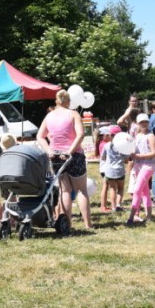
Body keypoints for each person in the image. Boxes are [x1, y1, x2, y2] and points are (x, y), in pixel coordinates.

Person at [36, 90, 93, 230]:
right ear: (69, 102)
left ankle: (67, 224)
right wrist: (69, 151)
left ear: (56, 101)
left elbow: (40, 136)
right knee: (81, 191)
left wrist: (49, 151)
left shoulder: (49, 116)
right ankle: (88, 224)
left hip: (56, 156)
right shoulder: (73, 114)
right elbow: (80, 135)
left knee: (65, 191)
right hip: (74, 155)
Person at [126, 114, 155, 226]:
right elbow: (134, 150)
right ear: (137, 124)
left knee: (137, 190)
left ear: (148, 123)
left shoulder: (151, 136)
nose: (144, 124)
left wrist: (139, 156)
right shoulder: (137, 136)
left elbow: (154, 153)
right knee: (145, 192)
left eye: (145, 122)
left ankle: (131, 217)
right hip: (138, 166)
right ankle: (149, 216)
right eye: (141, 122)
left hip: (148, 166)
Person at [99, 125, 128, 213]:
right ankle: (118, 204)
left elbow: (103, 157)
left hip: (109, 171)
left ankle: (113, 207)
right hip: (120, 170)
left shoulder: (106, 145)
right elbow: (126, 159)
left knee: (112, 188)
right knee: (120, 188)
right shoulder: (122, 146)